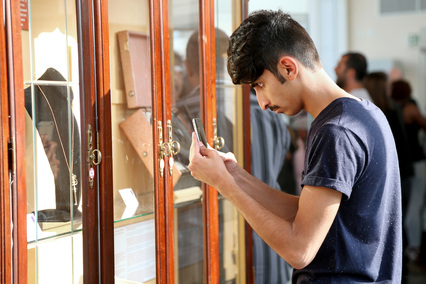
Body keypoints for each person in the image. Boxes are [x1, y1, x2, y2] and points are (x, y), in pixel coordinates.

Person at [188, 10, 402, 283]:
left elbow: (299, 249)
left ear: (289, 68)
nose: (262, 102)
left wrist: (224, 186)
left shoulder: (335, 131)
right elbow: (304, 214)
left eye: (260, 85)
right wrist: (235, 175)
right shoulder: (364, 113)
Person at [364, 72, 413, 282]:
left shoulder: (378, 114)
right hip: (400, 174)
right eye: (386, 88)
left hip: (395, 175)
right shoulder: (388, 113)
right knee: (396, 222)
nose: (389, 92)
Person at [250, 89, 293, 283]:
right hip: (275, 237)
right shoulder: (272, 117)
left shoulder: (206, 107)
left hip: (243, 232)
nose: (263, 100)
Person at [391, 79, 426, 264]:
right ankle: (414, 247)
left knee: (405, 206)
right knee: (415, 207)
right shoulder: (410, 108)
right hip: (416, 164)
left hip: (401, 165)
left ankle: (407, 247)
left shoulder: (391, 110)